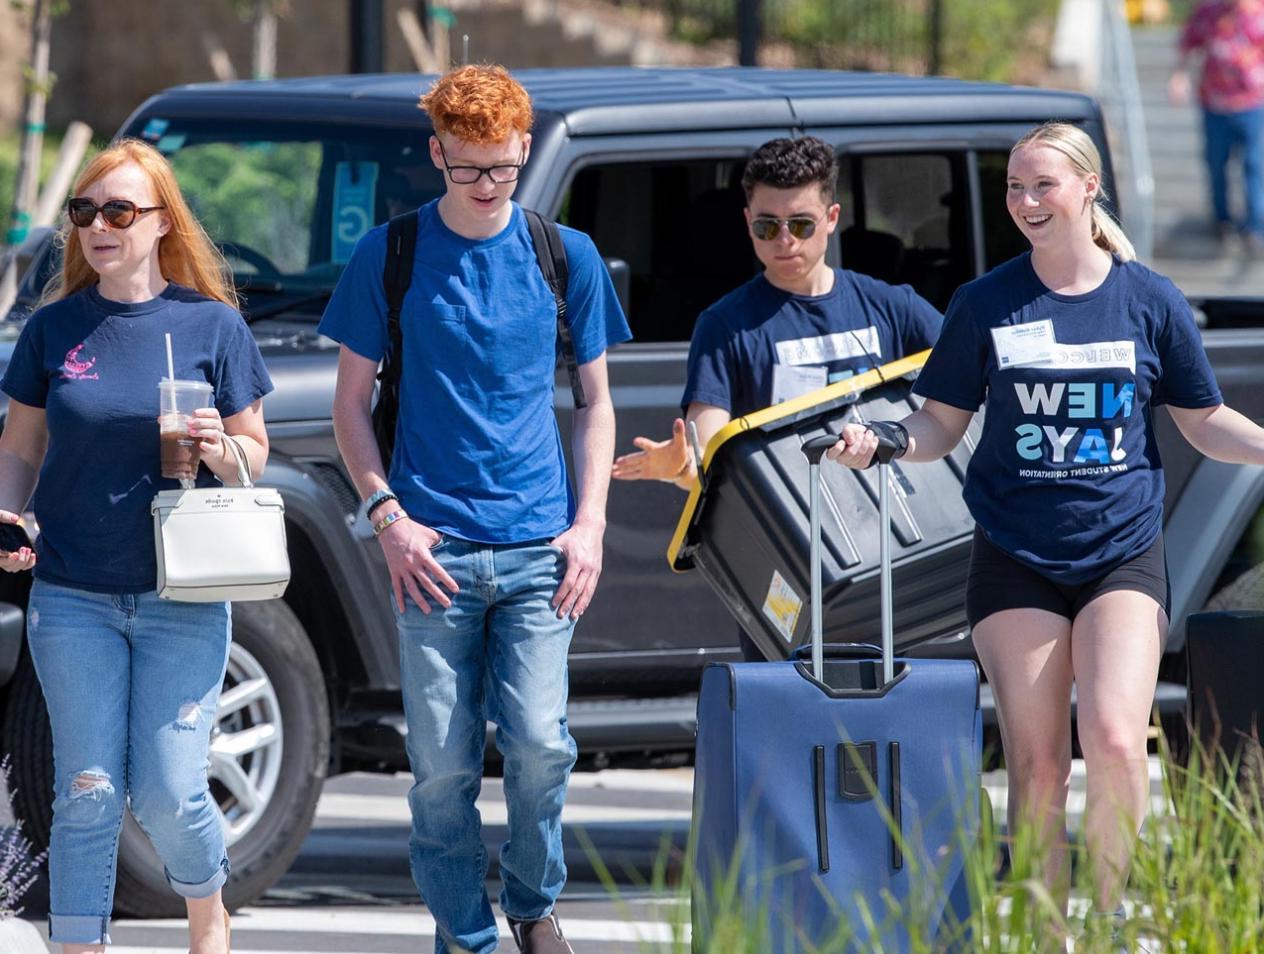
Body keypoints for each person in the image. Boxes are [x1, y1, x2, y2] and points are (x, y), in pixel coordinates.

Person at [828, 121, 1264, 942]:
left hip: (1122, 554)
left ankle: (1107, 917)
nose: (1025, 201)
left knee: (1113, 738)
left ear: (1088, 188)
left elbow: (1203, 421)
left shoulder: (1148, 298)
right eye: (1014, 188)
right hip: (1016, 558)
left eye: (1043, 185)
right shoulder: (985, 302)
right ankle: (1041, 929)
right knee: (1036, 763)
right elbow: (938, 427)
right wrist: (880, 442)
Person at [320, 65, 629, 954]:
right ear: (436, 155)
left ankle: (533, 906)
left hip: (541, 548)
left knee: (539, 746)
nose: (486, 186)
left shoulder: (560, 253)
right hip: (431, 552)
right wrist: (387, 515)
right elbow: (349, 403)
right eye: (466, 170)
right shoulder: (394, 252)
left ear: (524, 150)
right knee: (442, 768)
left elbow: (597, 402)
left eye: (500, 167)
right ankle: (465, 935)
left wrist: (592, 524)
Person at [0, 139, 273, 953]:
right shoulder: (53, 331)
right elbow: (19, 448)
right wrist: (9, 517)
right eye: (85, 212)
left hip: (181, 595)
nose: (99, 227)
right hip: (73, 594)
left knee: (167, 791)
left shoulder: (210, 326)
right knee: (86, 789)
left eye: (120, 211)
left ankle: (207, 906)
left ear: (161, 224)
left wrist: (217, 446)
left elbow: (254, 452)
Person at [611, 135, 941, 658]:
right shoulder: (725, 325)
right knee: (792, 724)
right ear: (747, 224)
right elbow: (709, 453)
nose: (785, 240)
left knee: (897, 726)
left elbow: (970, 389)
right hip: (790, 558)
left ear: (832, 218)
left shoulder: (893, 306)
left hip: (900, 551)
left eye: (802, 225)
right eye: (767, 226)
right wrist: (682, 466)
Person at [1168, 0, 1264, 248]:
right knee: (1215, 161)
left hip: (1253, 103)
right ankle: (1222, 220)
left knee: (1254, 164)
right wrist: (1179, 77)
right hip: (1215, 103)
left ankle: (1255, 225)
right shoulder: (1208, 12)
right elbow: (1188, 43)